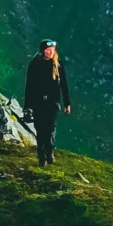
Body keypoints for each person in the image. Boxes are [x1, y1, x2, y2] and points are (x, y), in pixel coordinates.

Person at [23, 38, 71, 166]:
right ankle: (41, 157)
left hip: (53, 102)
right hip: (38, 102)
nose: (50, 52)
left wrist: (67, 103)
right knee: (40, 129)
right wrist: (27, 106)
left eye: (52, 50)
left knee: (50, 127)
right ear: (43, 50)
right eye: (48, 50)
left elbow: (64, 85)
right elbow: (29, 86)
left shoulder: (58, 65)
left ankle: (50, 152)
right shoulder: (34, 64)